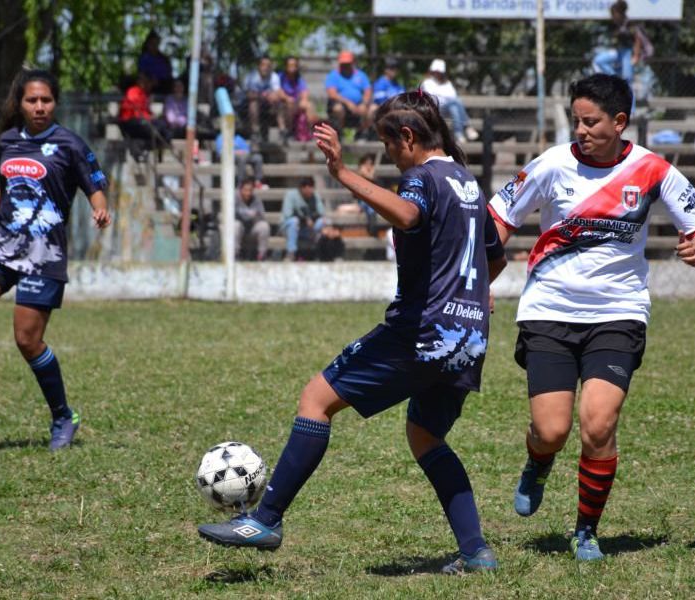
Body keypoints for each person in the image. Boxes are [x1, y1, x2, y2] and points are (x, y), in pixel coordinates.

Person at [198, 91, 508, 575]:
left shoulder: (423, 177)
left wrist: (343, 174)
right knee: (425, 436)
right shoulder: (467, 181)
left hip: (424, 332)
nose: (388, 155)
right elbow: (496, 256)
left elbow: (408, 215)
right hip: (469, 337)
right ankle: (476, 551)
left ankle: (265, 520)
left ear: (407, 137)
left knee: (315, 399)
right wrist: (474, 296)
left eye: (388, 145)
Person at [487, 74, 695, 561]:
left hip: (618, 312)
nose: (581, 130)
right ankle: (538, 462)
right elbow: (498, 221)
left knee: (597, 425)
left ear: (619, 122)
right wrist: (477, 281)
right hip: (549, 310)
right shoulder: (551, 164)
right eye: (576, 121)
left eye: (590, 121)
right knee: (551, 430)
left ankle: (586, 531)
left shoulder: (654, 170)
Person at [0, 69, 112, 450]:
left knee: (27, 340)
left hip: (42, 253)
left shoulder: (69, 143)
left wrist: (100, 209)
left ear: (55, 103)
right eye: (32, 100)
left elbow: (95, 184)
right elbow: (9, 190)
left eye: (46, 100)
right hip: (2, 244)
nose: (39, 107)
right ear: (19, 103)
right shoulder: (8, 141)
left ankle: (63, 416)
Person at [592, 1, 653, 87]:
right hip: (618, 52)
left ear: (620, 13)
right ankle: (615, 78)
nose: (612, 17)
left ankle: (630, 98)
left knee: (627, 79)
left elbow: (637, 39)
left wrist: (635, 56)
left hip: (628, 53)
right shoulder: (617, 24)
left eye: (614, 14)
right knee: (599, 60)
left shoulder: (629, 24)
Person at [420, 59, 478, 144]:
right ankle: (466, 126)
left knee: (454, 105)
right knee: (455, 102)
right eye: (435, 71)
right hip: (434, 108)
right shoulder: (427, 82)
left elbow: (452, 96)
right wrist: (444, 96)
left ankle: (459, 134)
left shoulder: (447, 83)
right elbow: (432, 97)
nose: (437, 73)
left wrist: (442, 95)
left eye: (439, 71)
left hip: (447, 109)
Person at [325, 50, 372, 140]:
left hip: (359, 104)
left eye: (347, 63)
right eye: (343, 64)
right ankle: (340, 133)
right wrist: (348, 103)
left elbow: (368, 91)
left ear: (352, 63)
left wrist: (364, 103)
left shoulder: (361, 75)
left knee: (370, 110)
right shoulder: (333, 75)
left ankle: (362, 133)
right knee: (338, 109)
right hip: (340, 104)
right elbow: (332, 94)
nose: (345, 66)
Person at [118, 73, 170, 150]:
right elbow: (136, 110)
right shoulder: (133, 91)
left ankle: (155, 147)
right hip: (131, 121)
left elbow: (145, 111)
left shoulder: (144, 94)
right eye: (143, 81)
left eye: (146, 81)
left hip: (142, 120)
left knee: (164, 126)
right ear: (138, 82)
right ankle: (142, 148)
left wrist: (152, 115)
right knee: (156, 128)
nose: (145, 83)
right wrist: (149, 117)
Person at [280, 176, 325, 261]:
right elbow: (288, 214)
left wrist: (311, 219)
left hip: (307, 229)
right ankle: (291, 253)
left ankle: (319, 253)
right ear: (300, 187)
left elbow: (321, 213)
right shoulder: (290, 195)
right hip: (289, 228)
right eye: (305, 186)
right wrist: (305, 220)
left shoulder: (315, 196)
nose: (308, 189)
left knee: (321, 222)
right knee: (294, 221)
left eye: (310, 187)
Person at [277, 56, 319, 143]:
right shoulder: (280, 77)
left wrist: (304, 99)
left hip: (296, 102)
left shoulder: (299, 79)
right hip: (283, 103)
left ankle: (311, 130)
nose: (292, 67)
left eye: (294, 65)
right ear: (286, 66)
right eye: (290, 65)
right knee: (289, 105)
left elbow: (304, 92)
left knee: (309, 105)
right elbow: (278, 91)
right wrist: (287, 98)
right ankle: (288, 131)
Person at [243, 56, 282, 144]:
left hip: (268, 104)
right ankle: (255, 132)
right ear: (258, 66)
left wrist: (272, 96)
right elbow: (249, 94)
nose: (265, 68)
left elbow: (278, 93)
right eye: (263, 65)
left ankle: (283, 131)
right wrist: (263, 96)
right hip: (249, 105)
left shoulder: (274, 77)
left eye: (268, 65)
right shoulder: (252, 76)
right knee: (253, 103)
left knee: (278, 103)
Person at [234, 177, 270, 261]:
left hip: (251, 227)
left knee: (264, 226)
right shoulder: (234, 198)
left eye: (250, 190)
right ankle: (235, 255)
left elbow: (261, 216)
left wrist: (254, 217)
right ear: (240, 189)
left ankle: (262, 255)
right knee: (235, 225)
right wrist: (246, 215)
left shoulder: (256, 199)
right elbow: (232, 214)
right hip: (239, 228)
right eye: (245, 190)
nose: (248, 193)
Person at [368, 57, 406, 124]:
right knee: (372, 108)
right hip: (383, 109)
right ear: (385, 70)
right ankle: (369, 132)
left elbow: (403, 99)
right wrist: (394, 106)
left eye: (396, 68)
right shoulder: (380, 83)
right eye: (391, 68)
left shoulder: (397, 84)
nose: (394, 70)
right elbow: (381, 100)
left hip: (396, 109)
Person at [138, 30, 173, 95]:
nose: (154, 46)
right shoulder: (144, 58)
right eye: (152, 43)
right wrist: (150, 81)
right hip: (149, 84)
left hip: (163, 84)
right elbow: (141, 74)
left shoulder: (163, 59)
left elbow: (169, 74)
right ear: (148, 44)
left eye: (156, 43)